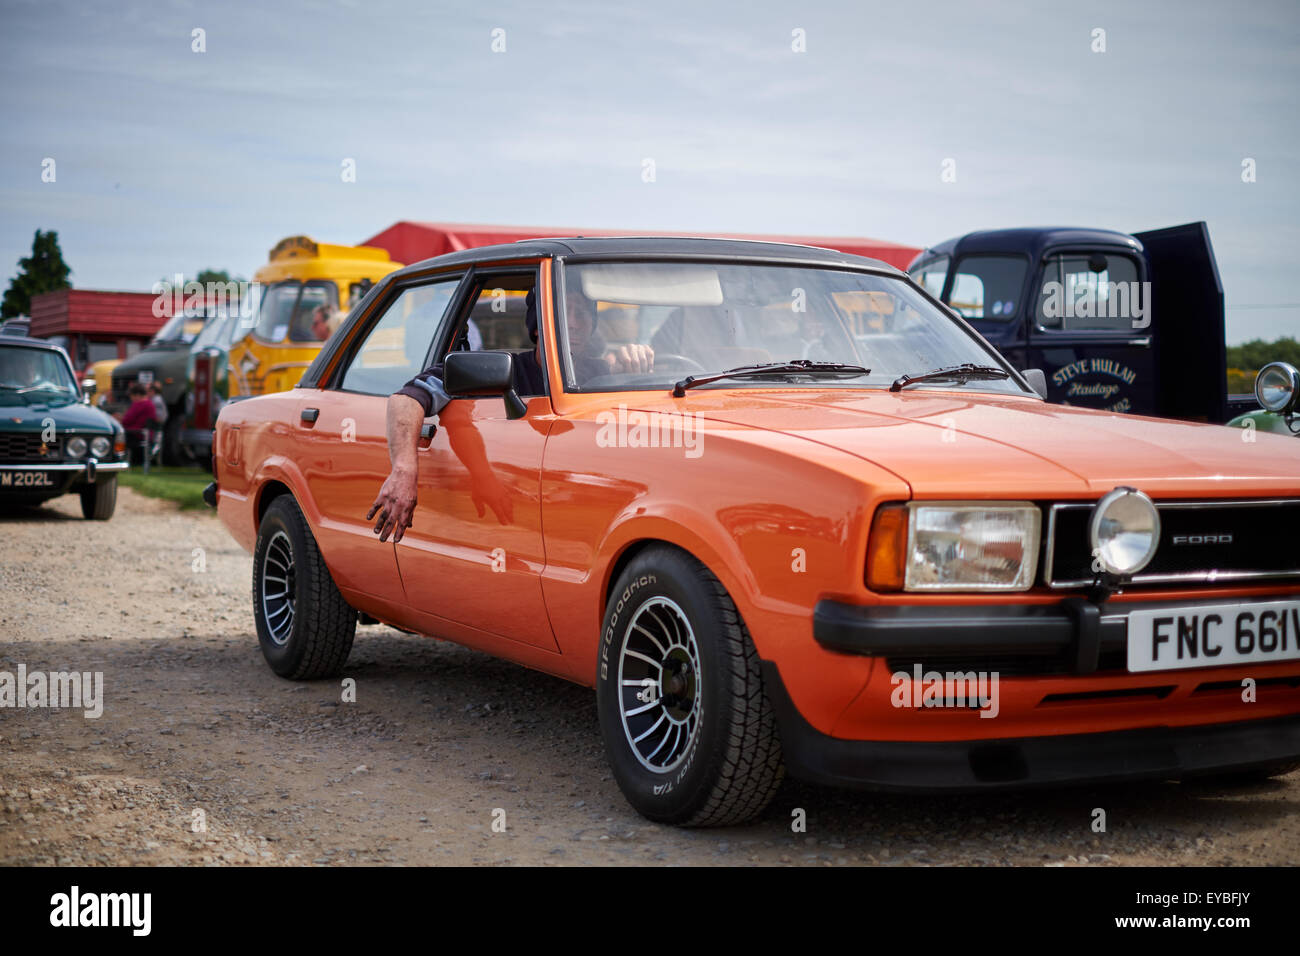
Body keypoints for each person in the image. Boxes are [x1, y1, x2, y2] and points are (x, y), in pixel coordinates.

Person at [120, 383, 159, 463]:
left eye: (131, 396)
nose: (131, 399)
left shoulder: (139, 404)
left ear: (137, 395)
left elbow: (126, 421)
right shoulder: (150, 404)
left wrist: (118, 418)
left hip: (137, 434)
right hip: (147, 435)